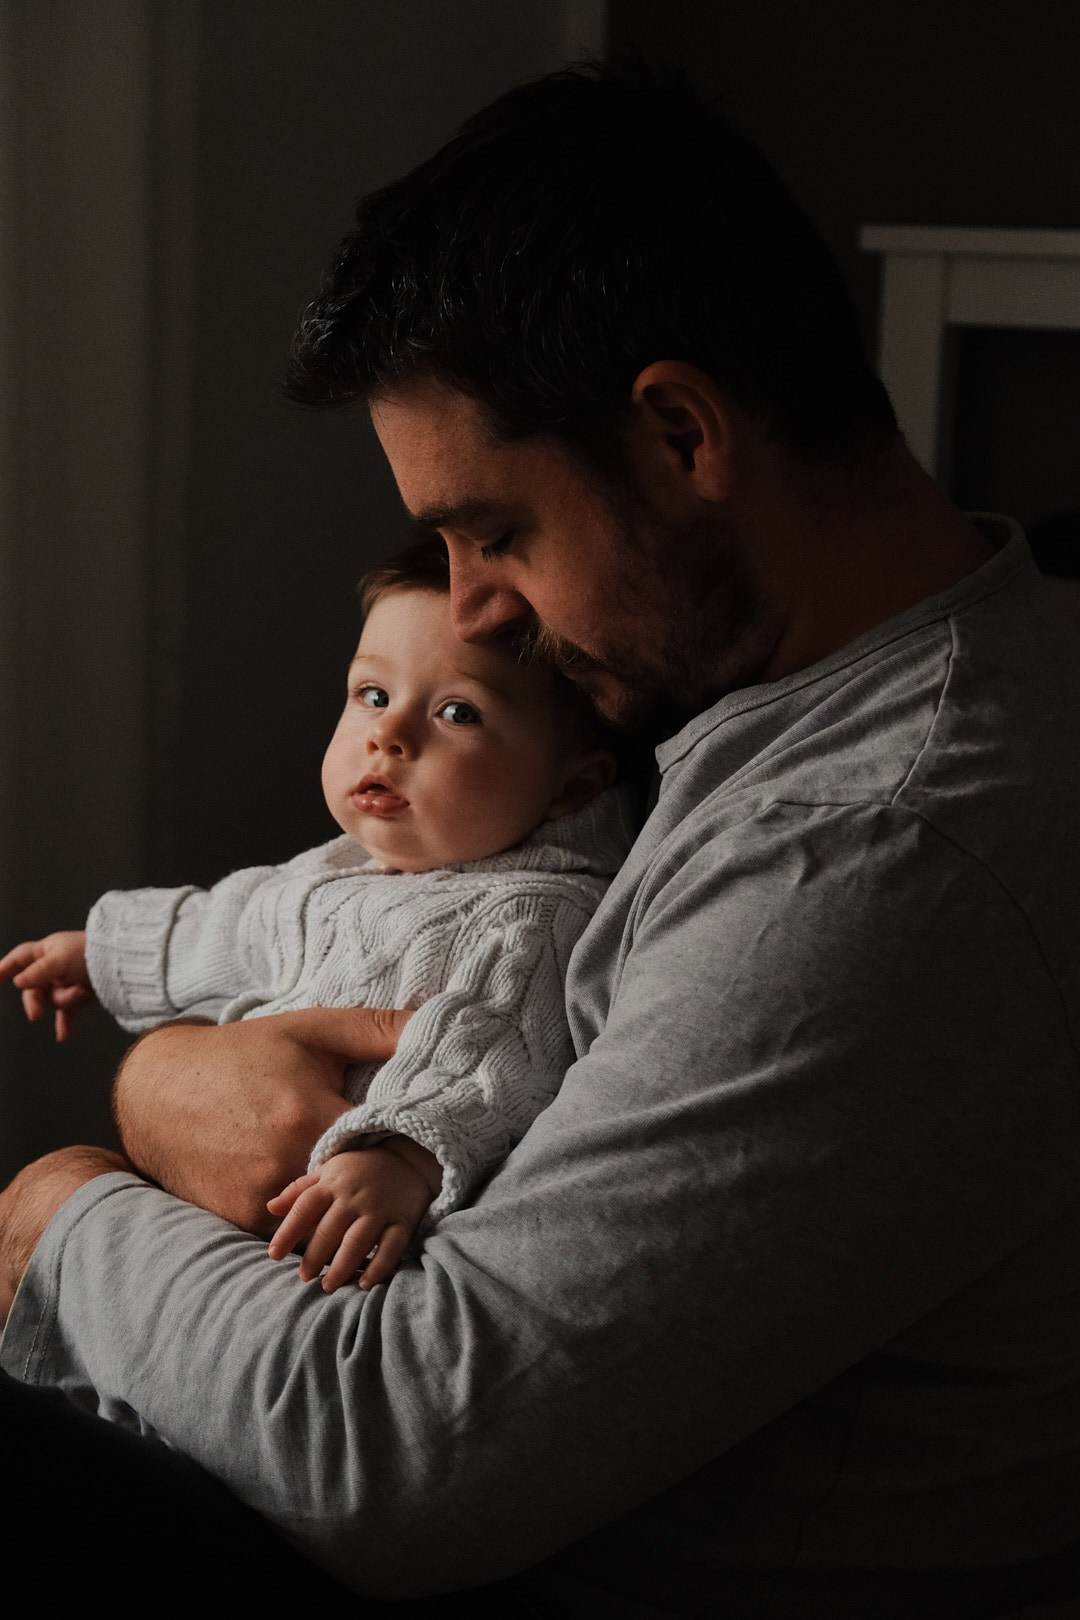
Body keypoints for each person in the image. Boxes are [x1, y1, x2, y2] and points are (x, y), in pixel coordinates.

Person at [2, 58, 1080, 1619]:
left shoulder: (875, 844)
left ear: (680, 433)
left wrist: (60, 1209)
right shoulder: (788, 699)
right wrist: (174, 1076)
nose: (478, 611)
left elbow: (396, 1450)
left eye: (495, 532)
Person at [0, 540, 632, 1290]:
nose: (389, 735)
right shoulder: (333, 871)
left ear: (573, 788)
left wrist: (397, 1158)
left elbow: (487, 1055)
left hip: (353, 1218)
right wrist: (98, 955)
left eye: (458, 712)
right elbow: (226, 925)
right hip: (233, 1195)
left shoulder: (532, 916)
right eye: (372, 694)